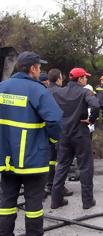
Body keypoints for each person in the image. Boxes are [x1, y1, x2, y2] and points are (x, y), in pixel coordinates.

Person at [0, 51, 63, 236]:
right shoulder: (37, 90)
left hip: (6, 159)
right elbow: (55, 120)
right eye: (39, 67)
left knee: (6, 201)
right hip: (32, 159)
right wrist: (52, 140)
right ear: (33, 68)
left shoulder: (2, 87)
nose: (40, 70)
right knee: (34, 203)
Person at [51, 67, 100, 210]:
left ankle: (56, 200)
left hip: (64, 134)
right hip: (80, 134)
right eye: (85, 77)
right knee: (85, 167)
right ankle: (87, 201)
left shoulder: (59, 92)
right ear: (79, 79)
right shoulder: (85, 92)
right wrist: (91, 120)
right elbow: (96, 105)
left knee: (62, 166)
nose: (86, 79)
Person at [44, 68, 73, 197]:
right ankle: (58, 187)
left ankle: (49, 185)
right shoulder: (61, 92)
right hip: (58, 130)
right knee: (61, 161)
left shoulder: (43, 91)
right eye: (61, 77)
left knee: (49, 159)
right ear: (58, 79)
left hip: (44, 131)